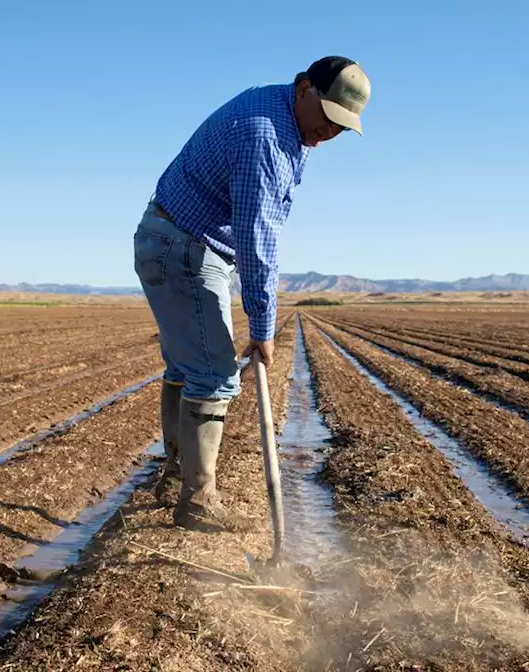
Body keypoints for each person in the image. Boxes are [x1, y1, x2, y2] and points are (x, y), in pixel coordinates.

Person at [133, 56, 371, 532]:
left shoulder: (283, 113)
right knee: (215, 374)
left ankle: (178, 474)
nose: (330, 132)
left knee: (186, 367)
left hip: (167, 237)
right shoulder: (266, 136)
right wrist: (263, 328)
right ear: (304, 88)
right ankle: (197, 501)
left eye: (342, 127)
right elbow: (258, 241)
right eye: (328, 117)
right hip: (185, 247)